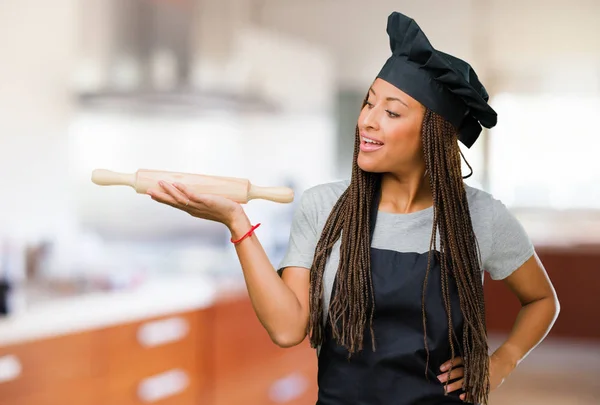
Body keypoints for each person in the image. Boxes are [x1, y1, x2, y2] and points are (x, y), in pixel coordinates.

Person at [146, 11, 560, 405]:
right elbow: (288, 328)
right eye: (369, 103)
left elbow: (542, 300)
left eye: (391, 111)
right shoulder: (324, 206)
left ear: (432, 135)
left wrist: (500, 362)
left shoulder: (480, 217)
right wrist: (236, 221)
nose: (367, 120)